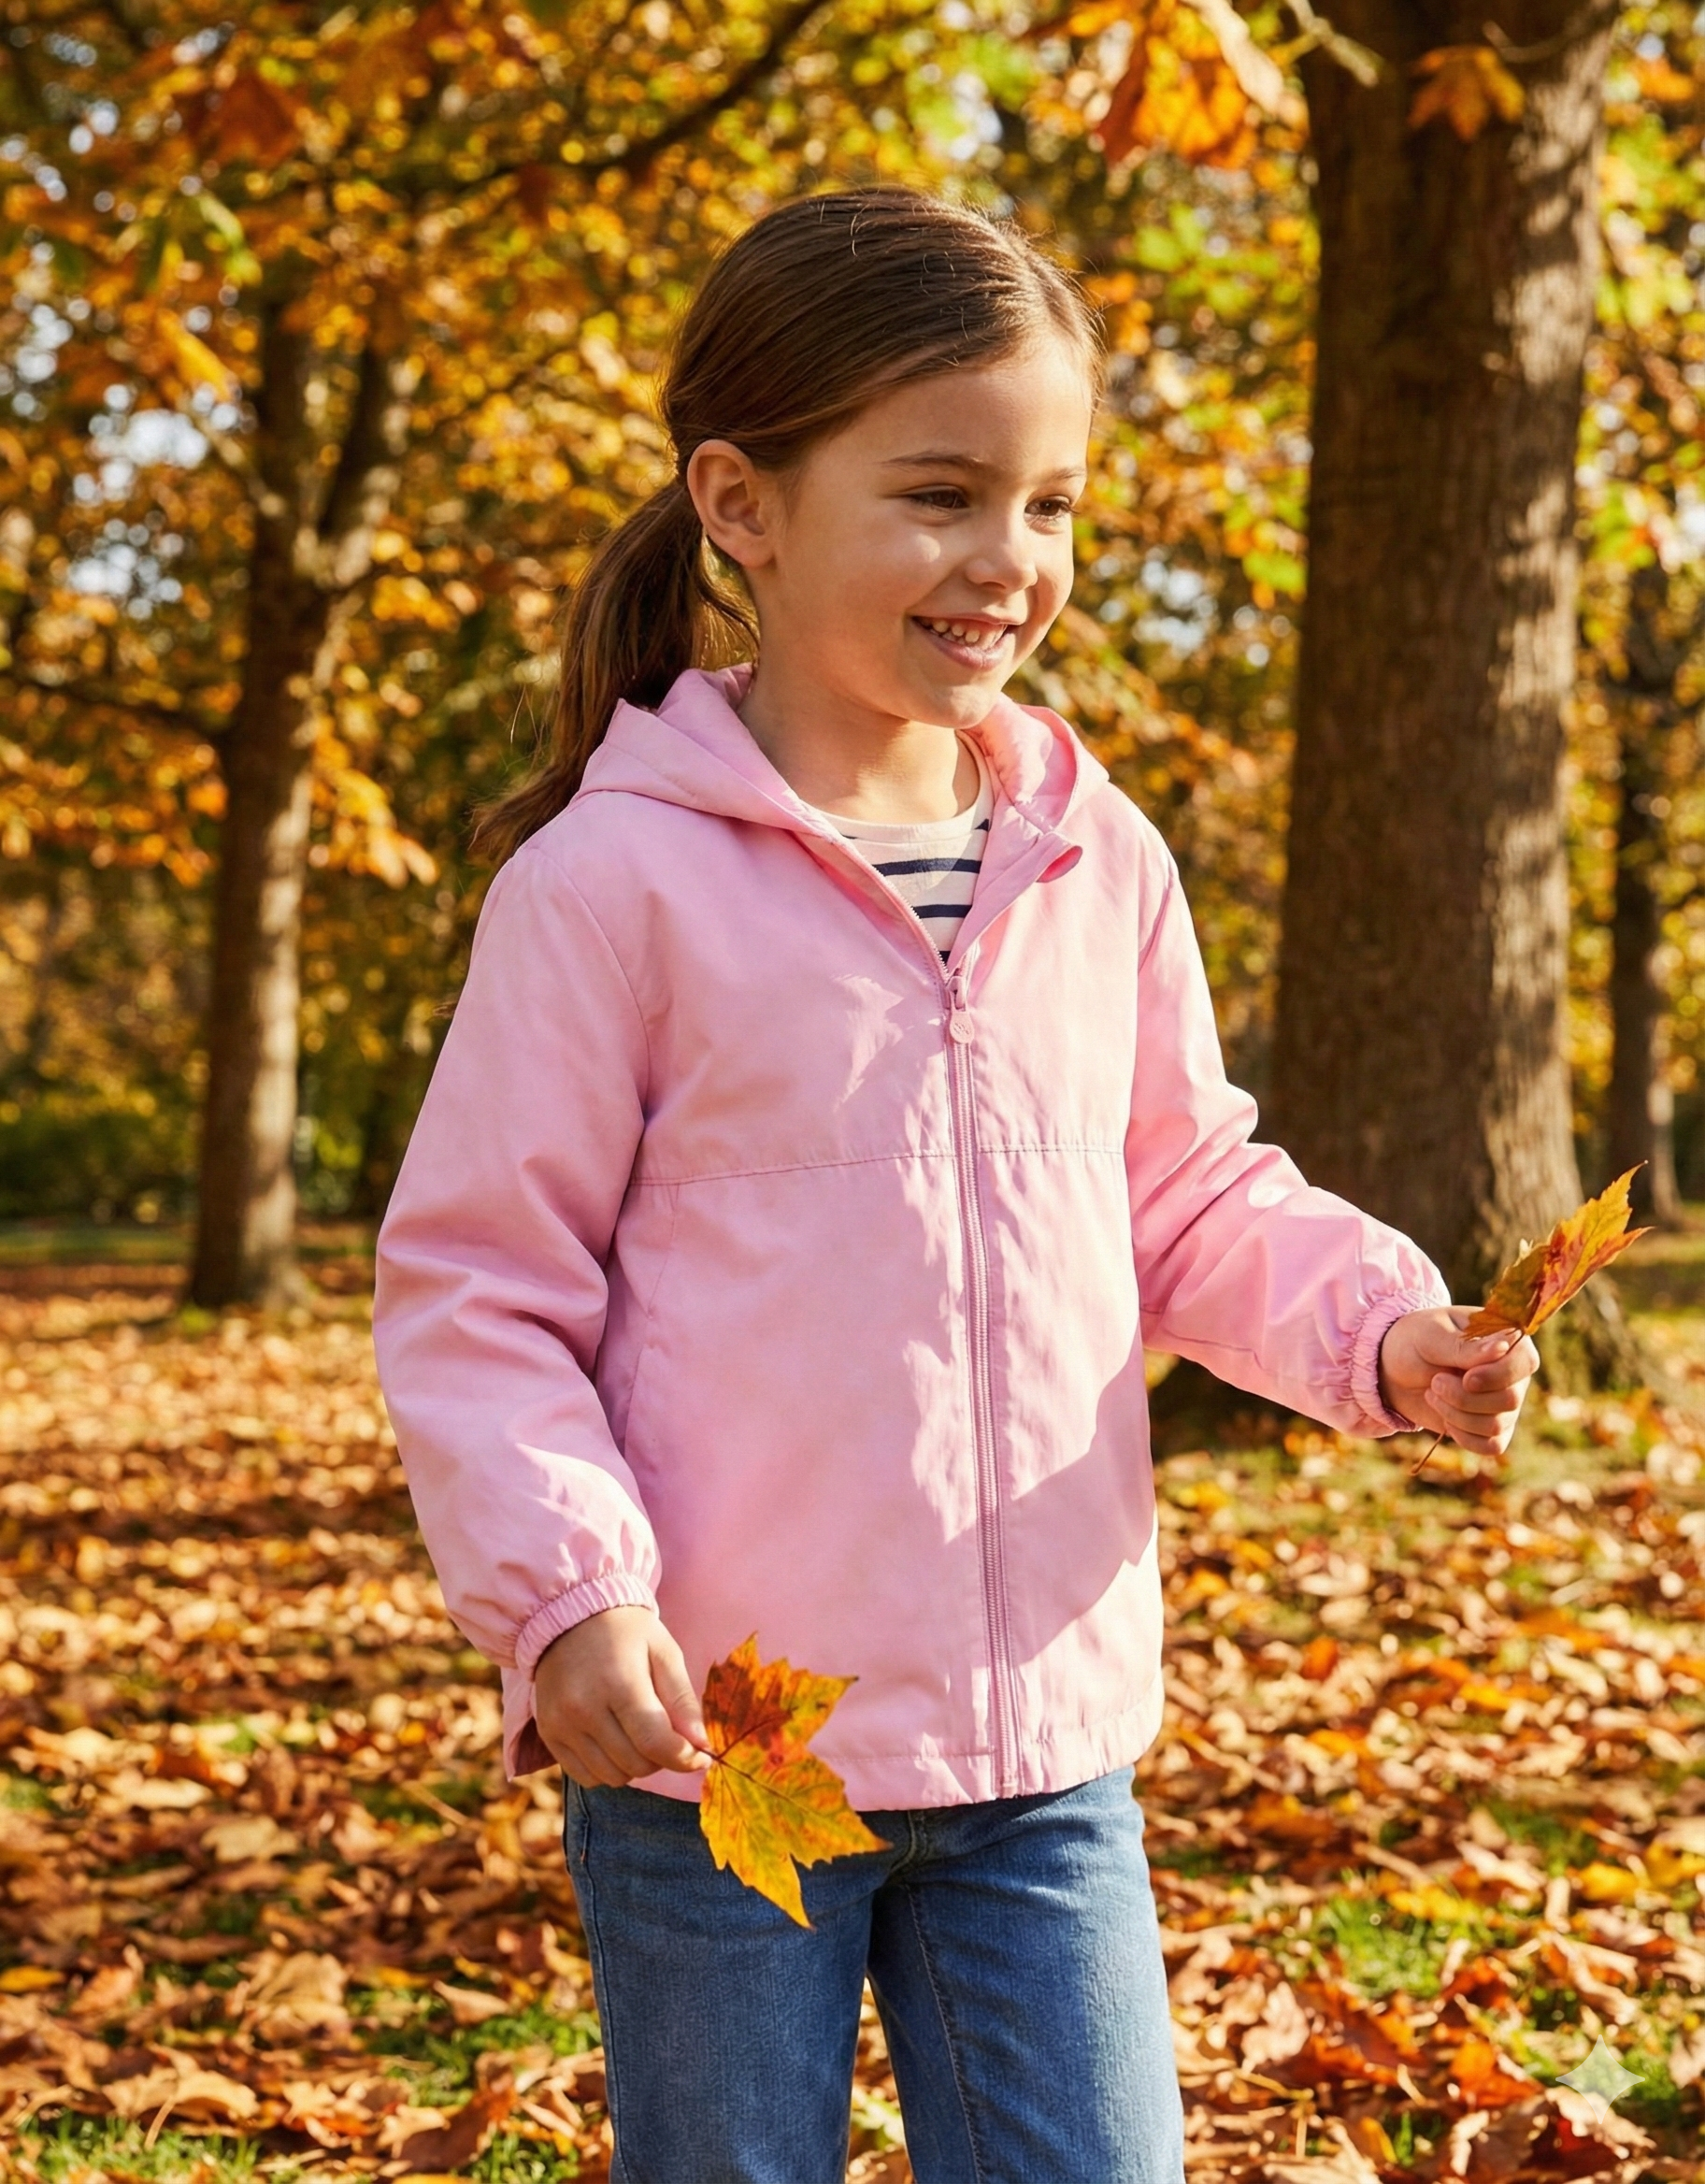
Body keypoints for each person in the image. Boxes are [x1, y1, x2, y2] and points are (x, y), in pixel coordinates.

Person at [372, 188, 1540, 2184]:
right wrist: (563, 1594)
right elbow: (484, 1292)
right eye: (939, 494)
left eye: (1054, 505)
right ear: (740, 502)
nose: (1009, 561)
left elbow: (1185, 1189)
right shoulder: (611, 885)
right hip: (718, 1748)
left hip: (1041, 1750)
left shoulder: (1100, 861)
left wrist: (1378, 1327)